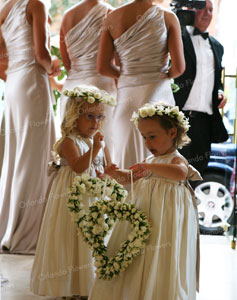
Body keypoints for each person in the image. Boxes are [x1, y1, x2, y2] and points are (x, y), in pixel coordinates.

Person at [89, 102, 201, 300]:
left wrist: (150, 166)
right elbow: (130, 178)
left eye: (152, 137)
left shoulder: (176, 159)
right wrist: (114, 173)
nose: (147, 143)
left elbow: (180, 173)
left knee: (160, 248)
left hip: (166, 215)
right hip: (144, 214)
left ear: (173, 132)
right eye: (144, 137)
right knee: (141, 250)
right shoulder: (149, 162)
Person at [30, 86, 115, 299]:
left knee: (90, 236)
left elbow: (107, 167)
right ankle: (68, 286)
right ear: (74, 116)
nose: (95, 123)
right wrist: (95, 148)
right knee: (70, 236)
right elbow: (77, 166)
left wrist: (110, 174)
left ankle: (89, 283)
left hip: (93, 196)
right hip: (72, 197)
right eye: (89, 116)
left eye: (100, 117)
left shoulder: (100, 141)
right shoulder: (69, 142)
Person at [0, 0, 61, 253]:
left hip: (14, 83)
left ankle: (9, 225)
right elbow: (41, 54)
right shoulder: (36, 3)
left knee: (17, 154)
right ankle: (30, 231)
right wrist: (54, 68)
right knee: (34, 155)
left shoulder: (4, 8)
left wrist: (11, 72)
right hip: (32, 81)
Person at [96, 0, 185, 169]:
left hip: (126, 98)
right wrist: (163, 74)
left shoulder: (112, 18)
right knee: (159, 155)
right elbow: (179, 68)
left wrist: (127, 76)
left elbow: (102, 66)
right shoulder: (168, 17)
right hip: (157, 91)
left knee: (126, 156)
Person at [173, 0, 228, 176]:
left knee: (197, 173)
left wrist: (219, 92)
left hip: (204, 123)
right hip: (179, 118)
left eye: (210, 10)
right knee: (174, 172)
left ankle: (190, 204)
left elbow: (216, 80)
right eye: (201, 8)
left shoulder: (218, 47)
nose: (206, 13)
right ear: (191, 9)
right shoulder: (178, 39)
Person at [59, 0, 116, 153]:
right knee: (106, 146)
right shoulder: (110, 13)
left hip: (72, 89)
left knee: (73, 148)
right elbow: (116, 59)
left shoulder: (67, 16)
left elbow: (67, 64)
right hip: (101, 87)